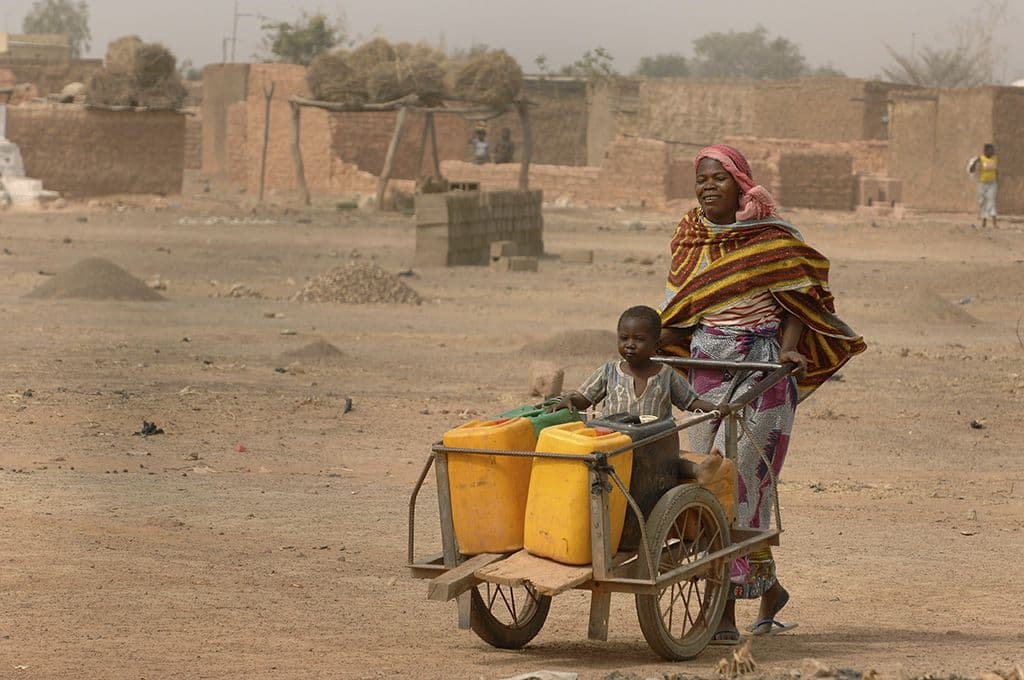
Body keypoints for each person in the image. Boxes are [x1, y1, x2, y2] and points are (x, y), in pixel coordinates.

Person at [658, 145, 865, 644]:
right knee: (704, 479)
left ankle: (724, 612)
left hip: (762, 371)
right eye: (701, 180)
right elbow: (680, 308)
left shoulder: (771, 239)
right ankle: (769, 591)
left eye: (718, 179)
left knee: (737, 486)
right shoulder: (690, 238)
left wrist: (789, 349)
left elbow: (800, 300)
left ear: (740, 184)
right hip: (706, 370)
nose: (708, 187)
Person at [548, 305, 729, 420]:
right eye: (624, 338)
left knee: (676, 462)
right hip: (614, 443)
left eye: (639, 339)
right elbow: (585, 399)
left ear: (656, 344)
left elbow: (690, 402)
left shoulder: (666, 374)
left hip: (655, 445)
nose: (630, 345)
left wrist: (714, 408)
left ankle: (700, 467)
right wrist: (570, 399)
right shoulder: (608, 371)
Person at [967, 143, 998, 228]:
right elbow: (972, 168)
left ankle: (994, 223)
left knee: (991, 201)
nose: (992, 152)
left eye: (992, 150)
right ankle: (984, 222)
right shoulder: (981, 159)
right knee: (982, 202)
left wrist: (996, 179)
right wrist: (974, 165)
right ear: (985, 151)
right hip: (982, 184)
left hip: (992, 184)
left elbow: (996, 170)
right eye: (990, 150)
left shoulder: (994, 158)